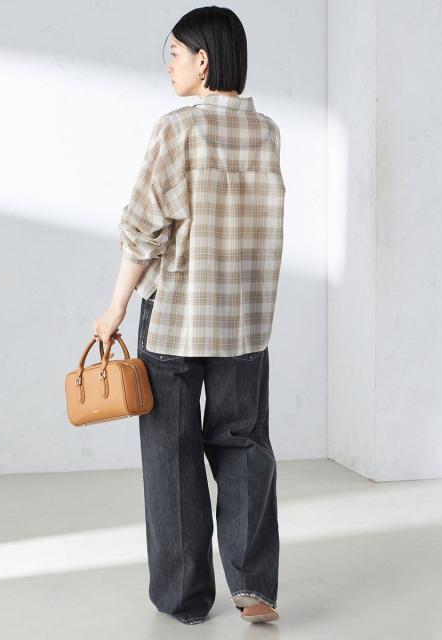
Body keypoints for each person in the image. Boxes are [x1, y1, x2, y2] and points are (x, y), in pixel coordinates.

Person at [93, 5, 285, 626]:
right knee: (244, 446)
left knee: (171, 457)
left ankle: (184, 599)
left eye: (174, 53)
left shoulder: (178, 129)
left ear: (203, 60)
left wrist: (116, 305)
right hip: (245, 322)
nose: (168, 65)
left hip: (177, 318)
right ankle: (254, 586)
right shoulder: (266, 132)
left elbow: (143, 228)